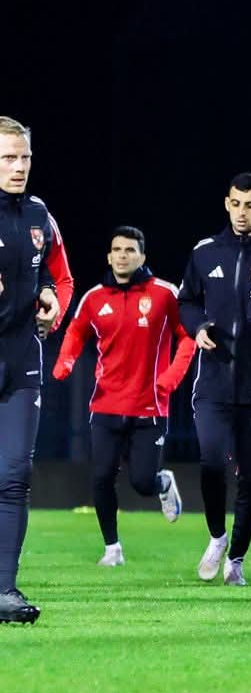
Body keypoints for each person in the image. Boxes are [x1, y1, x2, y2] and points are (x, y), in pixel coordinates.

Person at [52, 226, 193, 566]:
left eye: (130, 250)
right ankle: (112, 549)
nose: (122, 255)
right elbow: (75, 332)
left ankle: (161, 482)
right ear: (109, 256)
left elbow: (186, 338)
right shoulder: (94, 297)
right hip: (105, 404)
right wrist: (64, 363)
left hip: (150, 406)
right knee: (101, 477)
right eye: (117, 249)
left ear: (143, 256)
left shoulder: (165, 294)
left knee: (142, 481)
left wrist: (170, 379)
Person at [179, 172, 251, 585]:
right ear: (227, 203)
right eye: (236, 204)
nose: (242, 212)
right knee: (210, 461)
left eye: (250, 205)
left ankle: (236, 559)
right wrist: (198, 326)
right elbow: (187, 301)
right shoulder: (205, 253)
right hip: (214, 383)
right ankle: (217, 537)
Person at [0, 115, 73, 625]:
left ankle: (4, 589)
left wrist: (50, 297)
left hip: (22, 361)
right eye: (8, 157)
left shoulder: (40, 216)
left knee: (15, 474)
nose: (18, 166)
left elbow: (59, 277)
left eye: (24, 157)